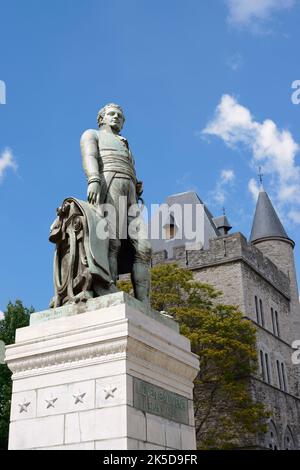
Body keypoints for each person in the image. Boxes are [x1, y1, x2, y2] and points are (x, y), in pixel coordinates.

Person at [80, 103, 151, 304]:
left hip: (129, 193)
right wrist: (93, 179)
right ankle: (108, 286)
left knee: (144, 247)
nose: (117, 118)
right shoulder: (91, 134)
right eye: (112, 114)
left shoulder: (125, 143)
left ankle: (144, 302)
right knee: (112, 241)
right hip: (108, 182)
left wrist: (136, 184)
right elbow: (90, 156)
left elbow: (130, 167)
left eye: (120, 116)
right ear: (101, 118)